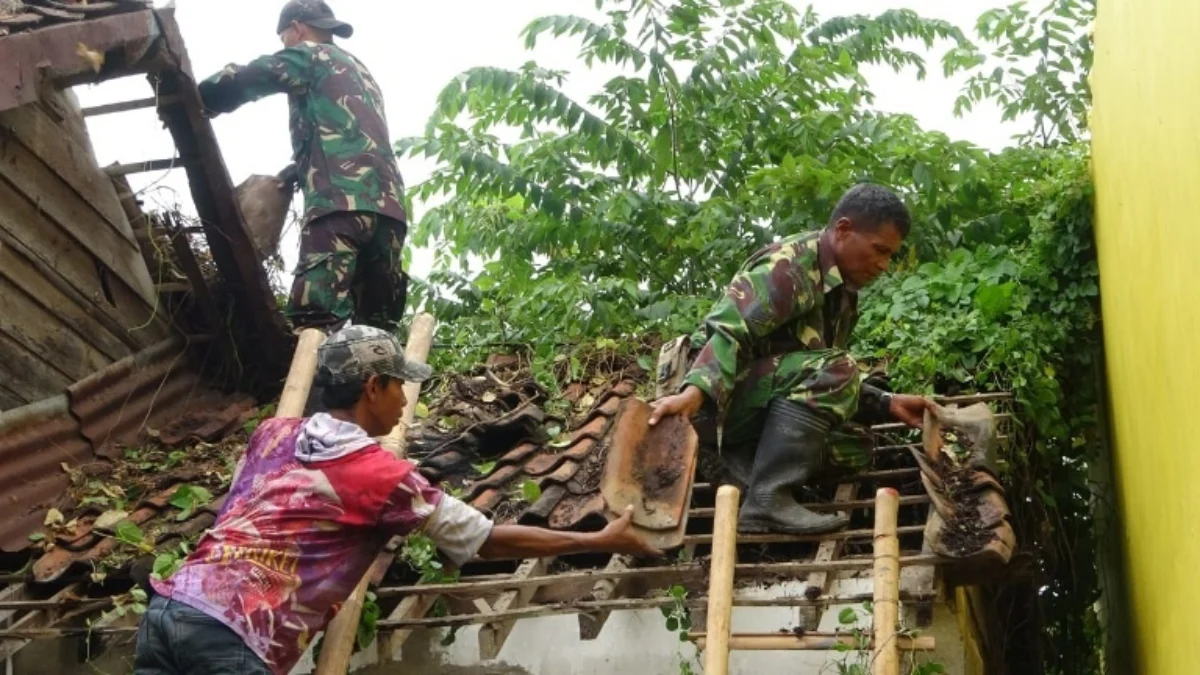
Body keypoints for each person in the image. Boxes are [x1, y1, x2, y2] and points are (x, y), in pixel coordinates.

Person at [134, 326, 661, 675]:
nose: (406, 400)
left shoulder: (272, 433)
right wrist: (598, 538)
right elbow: (485, 540)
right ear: (371, 387)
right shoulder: (381, 475)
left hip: (169, 611)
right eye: (399, 387)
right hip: (235, 634)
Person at [648, 184, 932, 535]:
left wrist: (886, 404)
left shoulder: (840, 291)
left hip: (750, 398)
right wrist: (694, 395)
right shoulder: (790, 267)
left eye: (890, 255)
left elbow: (807, 381)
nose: (883, 265)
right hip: (709, 404)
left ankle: (736, 465)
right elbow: (728, 331)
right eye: (879, 250)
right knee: (839, 367)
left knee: (854, 446)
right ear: (843, 230)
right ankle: (766, 500)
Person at [198, 0, 408, 332]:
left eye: (284, 39)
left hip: (339, 209)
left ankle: (312, 384)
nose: (284, 46)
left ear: (297, 29)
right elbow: (350, 138)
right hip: (391, 216)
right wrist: (296, 170)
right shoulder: (360, 72)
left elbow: (253, 75)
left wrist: (203, 97)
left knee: (317, 322)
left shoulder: (311, 55)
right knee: (377, 330)